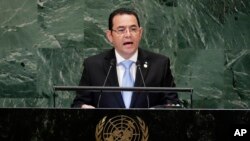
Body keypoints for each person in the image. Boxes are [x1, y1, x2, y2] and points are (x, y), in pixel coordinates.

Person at [71, 8, 180, 108]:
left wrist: (153, 112)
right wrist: (82, 108)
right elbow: (78, 104)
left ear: (140, 33)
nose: (128, 35)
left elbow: (173, 104)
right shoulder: (93, 65)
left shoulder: (159, 64)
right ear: (110, 36)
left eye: (133, 29)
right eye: (121, 30)